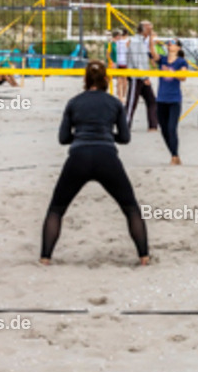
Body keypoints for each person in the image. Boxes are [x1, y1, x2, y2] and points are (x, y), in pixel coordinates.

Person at [40, 60, 149, 266]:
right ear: (106, 80)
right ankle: (144, 257)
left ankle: (45, 258)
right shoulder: (115, 103)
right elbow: (125, 138)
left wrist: (82, 135)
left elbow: (63, 138)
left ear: (85, 80)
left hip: (79, 156)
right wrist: (106, 134)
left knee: (56, 210)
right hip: (106, 156)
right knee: (131, 209)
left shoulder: (74, 102)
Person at [151, 35, 188, 165]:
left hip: (174, 100)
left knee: (172, 129)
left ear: (178, 47)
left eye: (173, 43)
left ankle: (174, 156)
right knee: (164, 130)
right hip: (161, 99)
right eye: (169, 43)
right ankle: (175, 155)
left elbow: (183, 77)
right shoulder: (163, 60)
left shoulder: (181, 62)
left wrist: (172, 72)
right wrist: (151, 39)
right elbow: (152, 53)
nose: (170, 44)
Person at [125, 21, 158, 130]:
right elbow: (136, 61)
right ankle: (125, 126)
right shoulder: (135, 41)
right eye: (150, 28)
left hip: (142, 75)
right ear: (144, 30)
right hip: (136, 76)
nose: (151, 30)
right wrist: (144, 77)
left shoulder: (143, 41)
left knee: (152, 101)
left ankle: (153, 126)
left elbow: (145, 59)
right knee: (131, 103)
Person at [113, 28, 129, 101]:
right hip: (125, 63)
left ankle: (120, 97)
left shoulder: (117, 41)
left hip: (119, 62)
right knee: (124, 80)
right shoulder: (128, 41)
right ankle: (123, 96)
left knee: (120, 81)